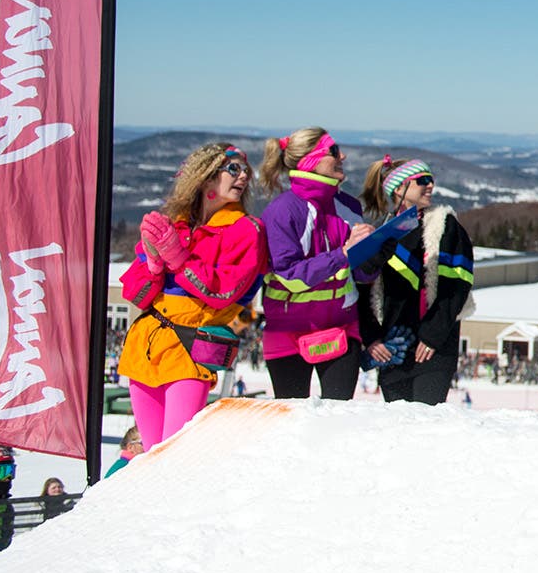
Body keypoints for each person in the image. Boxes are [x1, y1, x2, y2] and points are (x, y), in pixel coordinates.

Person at [118, 143, 269, 448]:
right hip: (145, 346)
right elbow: (135, 293)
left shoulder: (247, 230)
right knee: (149, 451)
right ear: (205, 177)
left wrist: (179, 260)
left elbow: (224, 293)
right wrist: (153, 264)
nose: (243, 177)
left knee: (174, 449)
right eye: (233, 169)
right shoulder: (176, 225)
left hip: (192, 345)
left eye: (245, 171)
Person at [260, 129, 376, 400]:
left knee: (339, 417)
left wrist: (373, 251)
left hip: (342, 328)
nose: (342, 156)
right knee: (292, 418)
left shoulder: (348, 206)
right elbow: (290, 276)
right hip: (287, 333)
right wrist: (343, 254)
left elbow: (360, 273)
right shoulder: (283, 211)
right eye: (334, 151)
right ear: (310, 161)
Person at [358, 157, 474, 406]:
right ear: (398, 189)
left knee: (425, 424)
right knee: (398, 426)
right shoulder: (381, 233)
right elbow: (362, 291)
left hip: (432, 348)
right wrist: (372, 338)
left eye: (431, 180)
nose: (430, 185)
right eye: (422, 180)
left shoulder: (445, 227)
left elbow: (457, 285)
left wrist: (433, 334)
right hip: (393, 349)